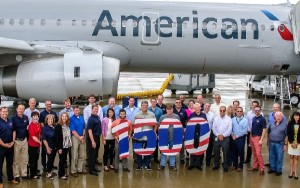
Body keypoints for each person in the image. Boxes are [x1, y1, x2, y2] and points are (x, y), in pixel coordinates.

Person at [134, 101, 157, 171]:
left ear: (147, 106)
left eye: (146, 105)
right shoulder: (137, 115)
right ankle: (139, 165)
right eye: (143, 105)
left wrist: (154, 132)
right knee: (139, 151)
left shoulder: (152, 115)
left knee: (148, 151)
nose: (144, 107)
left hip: (149, 136)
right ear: (141, 106)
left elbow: (155, 125)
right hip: (139, 136)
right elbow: (134, 125)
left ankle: (147, 164)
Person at [0, 107, 19, 187]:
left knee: (9, 163)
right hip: (1, 147)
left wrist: (13, 141)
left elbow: (14, 131)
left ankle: (10, 178)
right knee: (0, 164)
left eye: (6, 111)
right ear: (0, 112)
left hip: (10, 146)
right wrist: (3, 144)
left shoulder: (10, 120)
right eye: (3, 111)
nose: (5, 113)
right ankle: (0, 182)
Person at [158, 103, 180, 171]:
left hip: (173, 136)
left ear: (172, 109)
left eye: (170, 109)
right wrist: (160, 136)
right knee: (163, 152)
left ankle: (172, 165)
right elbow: (159, 127)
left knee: (172, 151)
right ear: (166, 110)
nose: (169, 110)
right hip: (164, 137)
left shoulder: (176, 117)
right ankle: (162, 165)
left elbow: (179, 127)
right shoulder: (162, 117)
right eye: (168, 109)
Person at [83, 94, 103, 165]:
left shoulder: (99, 107)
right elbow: (85, 119)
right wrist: (90, 125)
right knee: (90, 145)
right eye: (90, 98)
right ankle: (89, 160)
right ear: (88, 99)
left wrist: (97, 124)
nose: (91, 99)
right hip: (90, 128)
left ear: (95, 99)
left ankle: (95, 159)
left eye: (93, 98)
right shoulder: (86, 109)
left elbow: (101, 117)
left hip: (97, 128)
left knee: (97, 145)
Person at [39, 100, 58, 171]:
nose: (49, 105)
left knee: (52, 153)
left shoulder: (54, 113)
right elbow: (41, 123)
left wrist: (53, 127)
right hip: (46, 135)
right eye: (47, 104)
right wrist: (47, 128)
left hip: (52, 135)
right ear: (45, 105)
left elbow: (56, 122)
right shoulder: (42, 113)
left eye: (50, 104)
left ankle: (50, 165)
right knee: (44, 152)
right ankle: (44, 166)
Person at [12, 104, 29, 182]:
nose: (21, 110)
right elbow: (13, 131)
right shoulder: (13, 118)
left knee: (24, 158)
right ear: (16, 109)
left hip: (24, 140)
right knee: (16, 159)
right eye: (19, 109)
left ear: (24, 110)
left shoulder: (26, 117)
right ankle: (16, 175)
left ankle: (24, 174)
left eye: (22, 109)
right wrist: (13, 141)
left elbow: (27, 128)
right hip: (17, 141)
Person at [212, 106, 232, 172]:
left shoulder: (229, 119)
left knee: (225, 152)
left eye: (223, 110)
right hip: (217, 137)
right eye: (221, 110)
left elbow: (229, 129)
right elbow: (213, 128)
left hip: (225, 137)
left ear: (225, 111)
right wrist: (218, 135)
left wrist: (223, 135)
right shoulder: (216, 118)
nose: (222, 112)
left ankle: (225, 166)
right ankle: (216, 165)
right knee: (216, 152)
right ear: (219, 111)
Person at [247, 105, 267, 175]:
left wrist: (261, 139)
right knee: (254, 153)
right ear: (254, 110)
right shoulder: (253, 118)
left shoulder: (262, 119)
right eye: (256, 110)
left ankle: (262, 168)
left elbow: (264, 129)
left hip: (258, 138)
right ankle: (255, 166)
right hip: (252, 137)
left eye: (258, 110)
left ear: (260, 110)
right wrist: (250, 136)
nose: (257, 111)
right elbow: (252, 127)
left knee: (258, 154)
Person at [267, 111, 287, 176]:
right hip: (271, 142)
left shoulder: (285, 124)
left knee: (279, 157)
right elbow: (268, 132)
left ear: (282, 117)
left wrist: (285, 144)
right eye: (277, 116)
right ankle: (272, 168)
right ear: (275, 117)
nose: (278, 117)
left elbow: (286, 135)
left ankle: (279, 170)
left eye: (280, 116)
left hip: (280, 143)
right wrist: (268, 141)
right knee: (272, 156)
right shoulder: (271, 123)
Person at [188, 103, 207, 170]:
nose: (196, 109)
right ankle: (192, 164)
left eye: (198, 108)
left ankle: (199, 164)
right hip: (193, 135)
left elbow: (205, 125)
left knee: (200, 148)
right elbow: (189, 125)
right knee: (192, 148)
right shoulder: (191, 115)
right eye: (195, 108)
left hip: (201, 134)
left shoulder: (203, 115)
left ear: (200, 108)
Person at [70, 106, 87, 177]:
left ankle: (80, 169)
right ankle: (73, 170)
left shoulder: (82, 117)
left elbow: (84, 128)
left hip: (82, 137)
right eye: (75, 110)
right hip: (75, 137)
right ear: (73, 111)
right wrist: (79, 137)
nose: (77, 112)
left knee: (82, 154)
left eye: (78, 110)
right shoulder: (71, 119)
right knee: (74, 154)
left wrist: (83, 136)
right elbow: (73, 130)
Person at [55, 112, 72, 180]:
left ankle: (63, 173)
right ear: (61, 117)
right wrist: (59, 148)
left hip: (67, 146)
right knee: (61, 160)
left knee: (64, 160)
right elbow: (57, 138)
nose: (64, 118)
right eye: (63, 116)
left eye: (65, 116)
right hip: (62, 146)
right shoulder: (58, 126)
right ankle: (61, 174)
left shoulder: (67, 125)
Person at [230, 107, 248, 171]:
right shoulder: (233, 119)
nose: (239, 112)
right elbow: (230, 128)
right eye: (238, 111)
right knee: (234, 152)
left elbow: (244, 131)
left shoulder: (245, 120)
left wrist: (237, 136)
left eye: (241, 111)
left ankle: (240, 166)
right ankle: (235, 165)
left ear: (242, 112)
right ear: (236, 112)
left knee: (241, 152)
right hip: (233, 138)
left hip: (241, 138)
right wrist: (232, 134)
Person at [87, 104, 102, 176]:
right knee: (92, 154)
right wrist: (92, 141)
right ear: (92, 109)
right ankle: (91, 170)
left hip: (97, 137)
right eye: (95, 109)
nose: (96, 110)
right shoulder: (90, 119)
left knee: (95, 154)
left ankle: (94, 167)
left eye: (97, 109)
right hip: (93, 138)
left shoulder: (97, 117)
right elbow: (89, 131)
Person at [173, 98, 188, 164]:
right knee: (173, 144)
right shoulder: (172, 111)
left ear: (181, 104)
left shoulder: (184, 111)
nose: (178, 103)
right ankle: (172, 158)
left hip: (181, 130)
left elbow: (186, 120)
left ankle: (182, 158)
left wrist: (185, 128)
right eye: (177, 102)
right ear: (175, 104)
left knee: (181, 145)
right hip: (173, 130)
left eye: (179, 102)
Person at [27, 111, 42, 179]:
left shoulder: (38, 124)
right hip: (32, 145)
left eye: (36, 116)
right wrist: (40, 142)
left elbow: (39, 134)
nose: (35, 117)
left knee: (36, 159)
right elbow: (33, 137)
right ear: (32, 117)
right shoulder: (31, 126)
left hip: (37, 146)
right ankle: (32, 174)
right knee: (32, 160)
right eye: (34, 116)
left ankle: (35, 172)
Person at [42, 114, 57, 179]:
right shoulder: (45, 128)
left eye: (52, 119)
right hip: (48, 146)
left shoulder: (55, 126)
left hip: (54, 146)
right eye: (49, 119)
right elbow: (44, 139)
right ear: (47, 120)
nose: (50, 120)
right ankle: (48, 173)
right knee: (50, 160)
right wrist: (47, 148)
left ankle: (50, 170)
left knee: (52, 159)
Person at [148, 98, 163, 163]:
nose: (153, 103)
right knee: (150, 143)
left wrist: (158, 128)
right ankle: (149, 156)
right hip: (149, 128)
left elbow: (161, 120)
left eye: (155, 102)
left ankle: (155, 157)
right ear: (150, 102)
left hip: (157, 128)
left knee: (156, 143)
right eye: (152, 102)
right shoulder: (148, 109)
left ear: (156, 102)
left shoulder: (159, 110)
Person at [287, 111, 300, 179]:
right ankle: (291, 171)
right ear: (293, 116)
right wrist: (291, 143)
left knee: (296, 157)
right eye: (295, 116)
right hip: (291, 142)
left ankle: (295, 172)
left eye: (298, 116)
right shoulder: (290, 123)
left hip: (298, 143)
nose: (296, 117)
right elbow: (288, 133)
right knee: (291, 157)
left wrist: (297, 143)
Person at [203, 102, 215, 167]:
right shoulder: (201, 113)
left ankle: (208, 162)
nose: (207, 107)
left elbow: (214, 123)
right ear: (204, 106)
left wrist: (212, 130)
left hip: (210, 133)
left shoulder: (212, 114)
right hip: (202, 134)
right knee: (201, 148)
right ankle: (200, 161)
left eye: (208, 106)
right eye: (206, 106)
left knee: (209, 148)